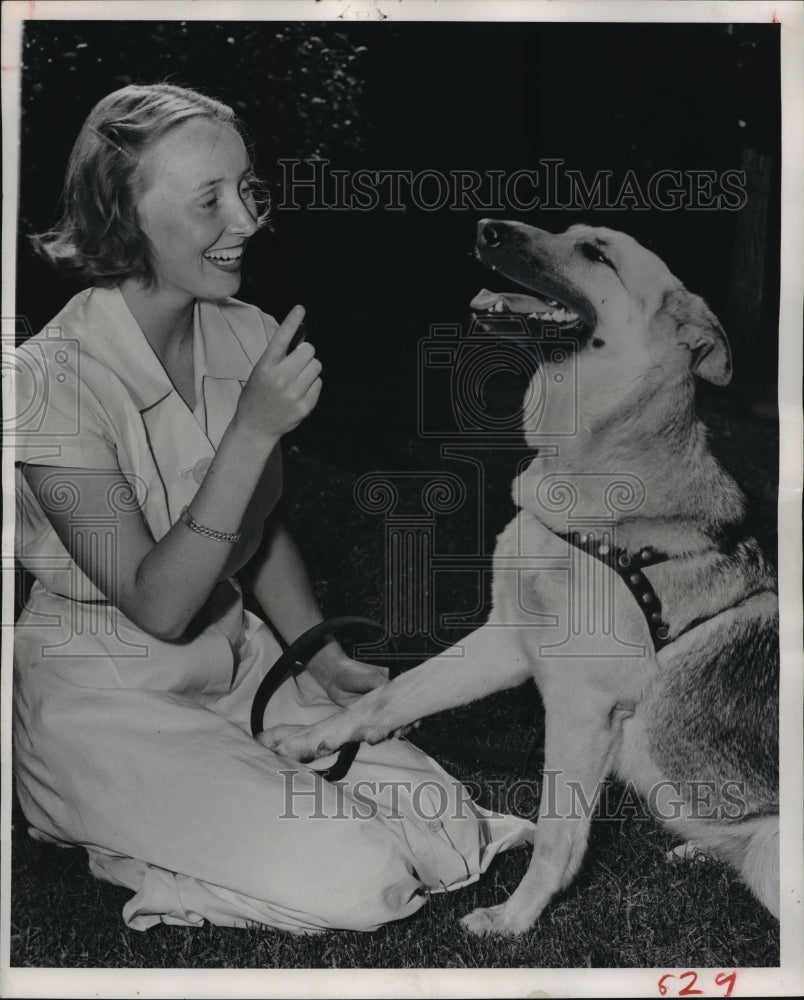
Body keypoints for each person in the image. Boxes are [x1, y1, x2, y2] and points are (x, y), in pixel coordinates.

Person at [13, 83, 533, 933]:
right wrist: (251, 431)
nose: (248, 220)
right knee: (361, 881)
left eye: (247, 188)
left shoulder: (246, 331)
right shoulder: (45, 381)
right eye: (208, 200)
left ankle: (226, 797)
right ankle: (111, 827)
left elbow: (262, 532)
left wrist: (318, 656)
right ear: (123, 213)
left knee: (450, 829)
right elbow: (160, 602)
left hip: (238, 660)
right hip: (105, 692)